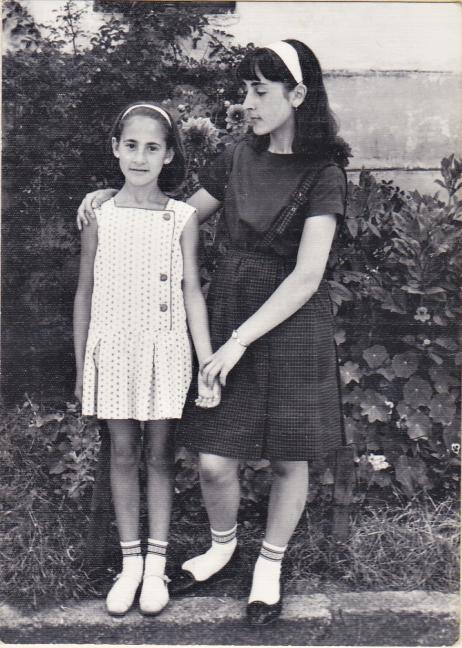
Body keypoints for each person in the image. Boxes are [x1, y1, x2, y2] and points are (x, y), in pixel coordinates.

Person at [77, 39, 350, 625]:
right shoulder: (235, 159)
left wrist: (238, 342)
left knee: (289, 457)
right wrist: (113, 198)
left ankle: (269, 568)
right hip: (228, 310)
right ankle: (223, 548)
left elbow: (307, 276)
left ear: (297, 95)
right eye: (244, 90)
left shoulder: (324, 175)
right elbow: (173, 215)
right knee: (214, 460)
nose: (246, 102)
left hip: (290, 324)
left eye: (259, 90)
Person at [73, 100, 220, 617]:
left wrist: (206, 361)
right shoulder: (99, 215)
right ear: (115, 149)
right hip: (113, 347)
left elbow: (191, 291)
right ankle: (129, 563)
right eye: (131, 145)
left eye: (152, 148)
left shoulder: (181, 218)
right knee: (121, 452)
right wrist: (82, 365)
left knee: (159, 455)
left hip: (165, 347)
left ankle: (156, 567)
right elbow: (86, 291)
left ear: (168, 155)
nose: (140, 157)